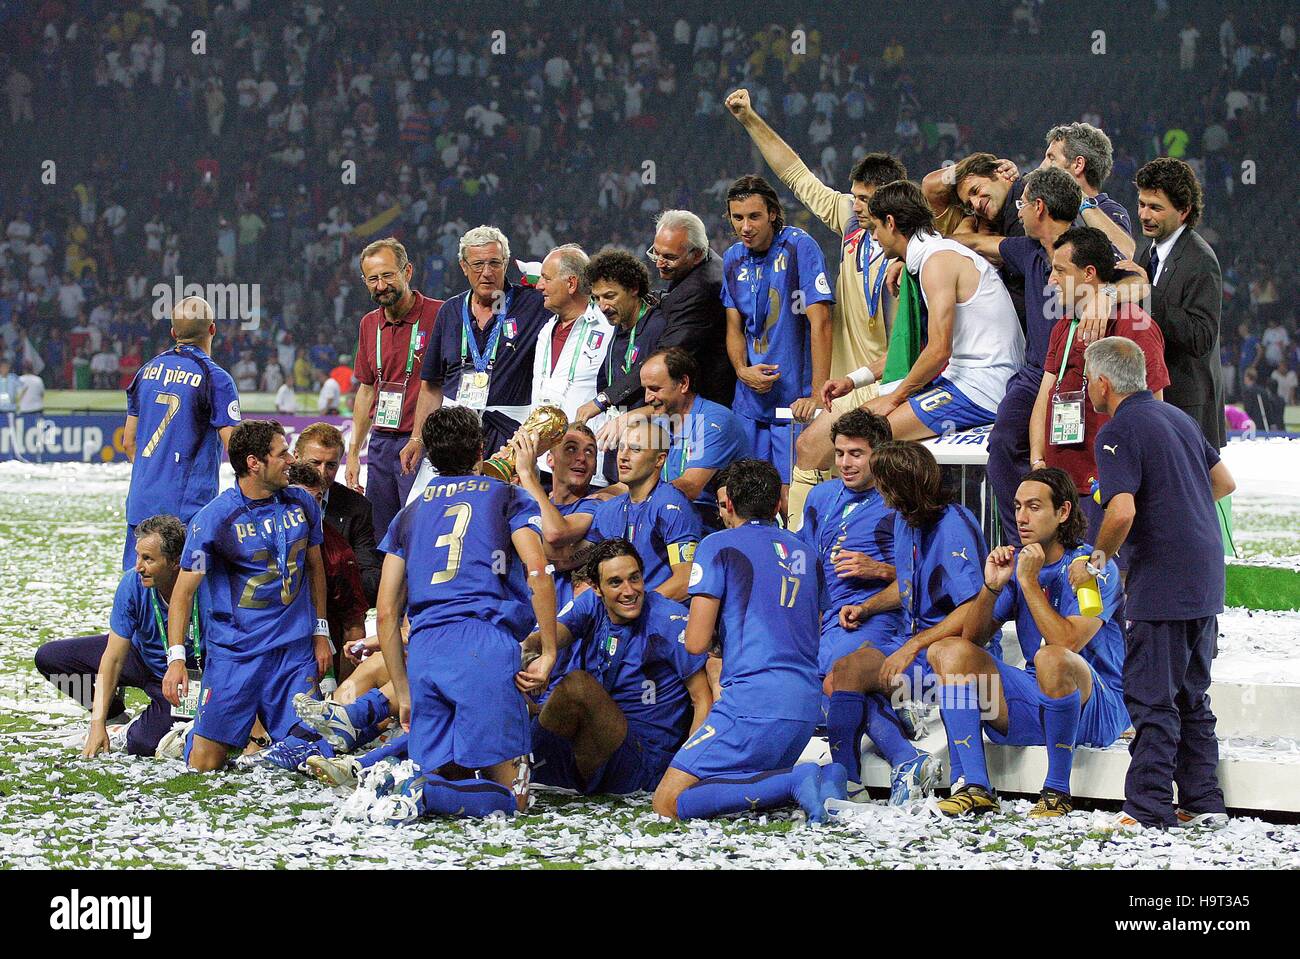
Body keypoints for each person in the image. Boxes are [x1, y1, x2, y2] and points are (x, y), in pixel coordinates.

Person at [359, 405, 557, 822]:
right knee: (515, 796)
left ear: (429, 455)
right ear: (480, 449)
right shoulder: (507, 496)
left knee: (453, 773)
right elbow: (538, 570)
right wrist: (550, 650)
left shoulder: (408, 514)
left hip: (428, 650)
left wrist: (403, 688)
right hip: (484, 645)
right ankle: (421, 792)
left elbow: (386, 610)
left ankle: (417, 786)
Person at [1072, 337, 1235, 830]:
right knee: (1192, 696)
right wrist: (1178, 506)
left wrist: (1097, 560)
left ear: (1103, 382)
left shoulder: (1118, 430)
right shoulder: (1179, 419)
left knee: (1151, 697)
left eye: (1086, 379)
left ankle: (1147, 809)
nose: (1085, 388)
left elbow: (1121, 509)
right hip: (1204, 575)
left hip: (1161, 581)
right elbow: (1224, 482)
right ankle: (1204, 802)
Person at [724, 87, 907, 520]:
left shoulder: (916, 251)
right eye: (855, 196)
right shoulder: (851, 223)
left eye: (865, 199)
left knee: (836, 462)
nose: (855, 205)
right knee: (817, 465)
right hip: (844, 387)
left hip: (890, 384)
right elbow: (796, 175)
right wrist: (749, 117)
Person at [651, 458, 845, 822]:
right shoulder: (808, 553)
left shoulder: (717, 545)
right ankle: (828, 776)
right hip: (804, 705)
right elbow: (810, 626)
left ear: (727, 504)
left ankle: (793, 780)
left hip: (751, 702)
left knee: (667, 803)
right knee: (734, 785)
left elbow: (695, 642)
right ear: (778, 505)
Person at [929, 468, 1128, 819]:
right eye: (1018, 506)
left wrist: (1028, 581)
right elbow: (971, 641)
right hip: (1038, 694)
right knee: (946, 651)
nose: (1021, 517)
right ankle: (974, 787)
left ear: (1063, 511)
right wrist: (992, 587)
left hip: (1097, 707)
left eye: (1034, 507)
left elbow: (1067, 643)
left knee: (1052, 657)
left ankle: (1057, 792)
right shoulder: (1021, 565)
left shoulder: (1094, 568)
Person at [829, 441, 994, 805]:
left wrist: (913, 647)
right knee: (842, 673)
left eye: (883, 482)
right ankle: (853, 782)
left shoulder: (953, 527)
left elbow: (973, 608)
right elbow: (910, 587)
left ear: (897, 485)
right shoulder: (904, 522)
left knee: (866, 681)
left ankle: (908, 716)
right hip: (913, 643)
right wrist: (867, 606)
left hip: (951, 654)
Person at [167, 420, 334, 773]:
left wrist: (321, 632)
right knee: (205, 766)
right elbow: (183, 593)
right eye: (282, 453)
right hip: (236, 656)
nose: (291, 460)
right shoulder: (213, 521)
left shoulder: (302, 502)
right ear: (254, 463)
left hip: (292, 654)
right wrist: (176, 659)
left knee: (315, 754)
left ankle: (271, 742)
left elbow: (316, 568)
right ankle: (191, 738)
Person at [826, 180, 1024, 442]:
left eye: (876, 228)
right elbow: (913, 351)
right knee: (857, 423)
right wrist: (853, 380)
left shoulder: (937, 262)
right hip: (965, 379)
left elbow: (939, 350)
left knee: (865, 436)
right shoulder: (929, 258)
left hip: (983, 388)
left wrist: (895, 398)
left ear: (891, 222)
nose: (874, 237)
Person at [522, 538, 713, 796]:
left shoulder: (668, 620)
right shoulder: (591, 603)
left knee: (577, 686)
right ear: (597, 588)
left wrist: (684, 774)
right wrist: (529, 652)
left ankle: (536, 772)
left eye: (635, 578)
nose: (629, 590)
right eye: (615, 582)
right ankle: (537, 773)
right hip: (599, 744)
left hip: (644, 761)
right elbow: (547, 636)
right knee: (515, 677)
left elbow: (703, 699)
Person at [1031, 227, 1170, 557]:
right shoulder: (1065, 326)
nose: (1051, 280)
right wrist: (1038, 462)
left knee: (1107, 590)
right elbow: (1043, 399)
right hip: (1062, 487)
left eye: (1060, 271)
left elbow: (1154, 413)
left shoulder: (1133, 324)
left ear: (1089, 274)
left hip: (1106, 489)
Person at [34, 515, 202, 758]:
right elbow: (113, 658)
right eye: (138, 556)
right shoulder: (132, 583)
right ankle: (115, 716)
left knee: (142, 744)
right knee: (50, 657)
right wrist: (97, 723)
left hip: (183, 678)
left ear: (175, 562)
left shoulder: (201, 587)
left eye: (148, 559)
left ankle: (153, 723)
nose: (138, 566)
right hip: (141, 659)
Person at [410, 225, 550, 482]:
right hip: (455, 438)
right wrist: (417, 438)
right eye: (477, 265)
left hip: (510, 437)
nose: (487, 273)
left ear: (506, 263)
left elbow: (574, 300)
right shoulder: (450, 311)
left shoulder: (533, 304)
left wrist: (545, 275)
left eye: (495, 263)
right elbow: (431, 386)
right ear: (464, 267)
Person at [722, 174, 834, 491]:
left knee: (791, 494)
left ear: (772, 213)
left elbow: (821, 321)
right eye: (738, 217)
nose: (746, 227)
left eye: (754, 216)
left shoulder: (800, 247)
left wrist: (816, 394)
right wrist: (742, 371)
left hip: (793, 403)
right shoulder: (732, 258)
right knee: (750, 494)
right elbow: (734, 326)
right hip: (749, 403)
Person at [515, 415, 701, 601]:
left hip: (659, 619)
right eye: (621, 448)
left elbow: (685, 580)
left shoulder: (671, 503)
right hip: (621, 619)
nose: (623, 456)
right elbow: (564, 559)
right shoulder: (610, 510)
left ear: (659, 460)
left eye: (635, 449)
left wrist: (634, 605)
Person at [122, 296, 240, 570]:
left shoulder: (146, 371)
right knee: (187, 596)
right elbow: (235, 447)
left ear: (173, 333)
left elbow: (129, 442)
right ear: (213, 329)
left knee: (138, 587)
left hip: (141, 502)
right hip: (187, 511)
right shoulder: (215, 378)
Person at [797, 411, 900, 714]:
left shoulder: (897, 504)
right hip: (823, 618)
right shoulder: (820, 496)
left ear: (879, 455)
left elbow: (924, 578)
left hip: (868, 616)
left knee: (837, 678)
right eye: (840, 453)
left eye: (856, 454)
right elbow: (805, 565)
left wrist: (879, 569)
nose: (844, 463)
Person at [347, 237, 443, 543]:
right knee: (382, 534)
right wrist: (353, 453)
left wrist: (420, 437)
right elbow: (366, 390)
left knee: (421, 531)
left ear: (408, 271)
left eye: (388, 275)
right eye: (372, 279)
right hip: (381, 443)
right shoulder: (367, 324)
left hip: (424, 444)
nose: (380, 285)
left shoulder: (440, 314)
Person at [1133, 158, 1227, 449]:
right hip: (1156, 401)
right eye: (1142, 204)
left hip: (1187, 409)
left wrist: (1147, 293)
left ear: (1184, 211)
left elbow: (1202, 338)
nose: (1145, 215)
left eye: (1156, 208)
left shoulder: (1200, 260)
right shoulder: (1147, 251)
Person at [575, 249, 666, 480]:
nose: (602, 306)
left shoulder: (657, 327)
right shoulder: (618, 328)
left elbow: (672, 402)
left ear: (634, 288)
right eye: (596, 298)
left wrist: (630, 416)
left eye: (610, 296)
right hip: (619, 450)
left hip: (650, 450)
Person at [641, 347, 751, 530]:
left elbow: (690, 487)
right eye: (645, 389)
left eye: (654, 389)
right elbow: (636, 479)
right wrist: (601, 499)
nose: (647, 398)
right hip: (668, 515)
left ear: (683, 383)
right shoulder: (659, 423)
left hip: (713, 527)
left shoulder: (713, 420)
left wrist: (637, 500)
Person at [287, 463, 368, 679]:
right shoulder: (258, 542)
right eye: (302, 500)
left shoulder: (339, 554)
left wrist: (344, 693)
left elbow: (353, 626)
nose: (312, 509)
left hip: (319, 662)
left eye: (317, 499)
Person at [648, 209, 735, 405]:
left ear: (696, 254)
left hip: (706, 400)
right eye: (656, 253)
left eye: (669, 257)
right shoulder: (706, 261)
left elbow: (665, 359)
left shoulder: (701, 288)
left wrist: (606, 399)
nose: (659, 263)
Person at [294, 422, 382, 604]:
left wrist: (327, 591)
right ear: (296, 457)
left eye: (331, 465)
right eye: (315, 463)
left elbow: (370, 577)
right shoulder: (274, 499)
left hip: (338, 608)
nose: (322, 472)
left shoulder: (357, 507)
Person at [531, 245, 612, 435]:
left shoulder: (607, 328)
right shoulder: (545, 330)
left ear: (571, 284)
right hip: (541, 454)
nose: (539, 285)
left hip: (583, 455)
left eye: (547, 278)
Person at [1039, 122, 1135, 259]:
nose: (1042, 166)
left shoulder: (1108, 210)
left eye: (1051, 158)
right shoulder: (1044, 209)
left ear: (1078, 165)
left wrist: (1079, 197)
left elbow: (1124, 253)